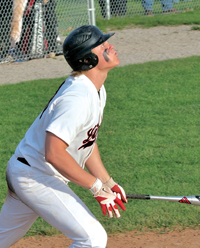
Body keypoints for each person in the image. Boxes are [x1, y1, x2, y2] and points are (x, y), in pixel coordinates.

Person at [0, 25, 127, 248]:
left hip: (29, 170)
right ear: (89, 59)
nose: (110, 46)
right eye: (102, 45)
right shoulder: (77, 98)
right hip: (35, 177)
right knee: (92, 238)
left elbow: (86, 141)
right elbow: (54, 153)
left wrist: (107, 181)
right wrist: (95, 187)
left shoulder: (95, 89)